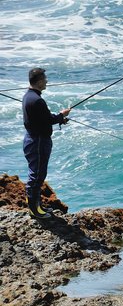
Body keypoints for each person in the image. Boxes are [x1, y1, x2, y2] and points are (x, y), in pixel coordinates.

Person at [22, 68, 71, 219]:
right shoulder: (37, 100)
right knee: (36, 176)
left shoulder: (30, 96)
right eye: (45, 79)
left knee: (39, 174)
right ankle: (34, 210)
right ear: (40, 81)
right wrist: (61, 115)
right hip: (37, 141)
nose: (47, 81)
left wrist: (59, 118)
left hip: (35, 139)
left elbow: (43, 117)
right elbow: (49, 119)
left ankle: (37, 206)